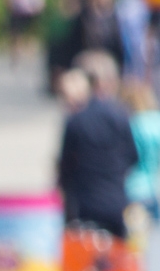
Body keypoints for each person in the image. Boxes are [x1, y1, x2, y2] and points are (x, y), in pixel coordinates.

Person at [57, 51, 139, 239]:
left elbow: (65, 166)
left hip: (83, 206)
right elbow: (133, 156)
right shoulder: (121, 116)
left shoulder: (76, 120)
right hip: (117, 202)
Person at [121, 81, 160, 223]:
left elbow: (130, 156)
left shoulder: (134, 124)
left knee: (136, 238)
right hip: (154, 186)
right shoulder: (157, 122)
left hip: (134, 186)